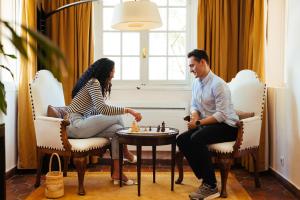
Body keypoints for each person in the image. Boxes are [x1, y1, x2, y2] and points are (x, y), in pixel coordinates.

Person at [66, 58, 142, 185]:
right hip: (75, 125)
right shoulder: (93, 82)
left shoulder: (92, 83)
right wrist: (129, 110)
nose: (114, 74)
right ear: (105, 71)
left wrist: (108, 117)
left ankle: (117, 172)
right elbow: (103, 109)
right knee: (118, 117)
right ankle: (126, 152)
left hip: (82, 125)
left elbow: (98, 110)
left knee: (117, 130)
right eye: (112, 71)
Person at [176, 49, 239, 199]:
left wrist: (197, 123)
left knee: (197, 138)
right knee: (181, 139)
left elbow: (221, 115)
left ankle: (211, 185)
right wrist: (195, 116)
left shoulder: (219, 84)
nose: (190, 70)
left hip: (228, 126)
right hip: (209, 125)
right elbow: (194, 105)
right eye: (189, 67)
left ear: (203, 62)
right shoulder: (196, 83)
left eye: (192, 66)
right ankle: (205, 179)